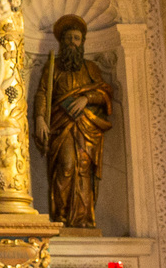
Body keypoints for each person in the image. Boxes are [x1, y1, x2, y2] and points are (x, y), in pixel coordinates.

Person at [32, 15, 115, 228]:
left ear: (82, 42)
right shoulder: (53, 67)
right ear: (62, 41)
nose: (72, 42)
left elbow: (105, 93)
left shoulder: (91, 68)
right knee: (66, 166)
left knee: (84, 168)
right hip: (61, 125)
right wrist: (40, 118)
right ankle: (61, 215)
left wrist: (86, 98)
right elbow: (43, 93)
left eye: (76, 38)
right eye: (68, 38)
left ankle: (83, 218)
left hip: (86, 126)